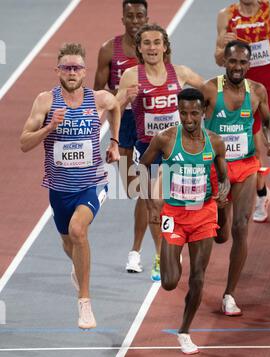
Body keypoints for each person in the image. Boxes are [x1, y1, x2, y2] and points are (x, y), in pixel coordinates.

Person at [20, 43, 121, 329]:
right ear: (58, 71)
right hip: (59, 189)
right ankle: (77, 267)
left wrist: (114, 142)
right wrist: (49, 127)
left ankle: (84, 303)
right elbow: (24, 143)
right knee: (69, 242)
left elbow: (116, 107)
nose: (72, 72)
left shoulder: (98, 99)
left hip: (93, 183)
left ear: (84, 71)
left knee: (78, 231)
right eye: (67, 67)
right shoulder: (45, 102)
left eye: (77, 67)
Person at [139, 88, 229, 354]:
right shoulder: (165, 139)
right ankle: (173, 255)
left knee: (198, 278)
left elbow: (223, 178)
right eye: (183, 113)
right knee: (168, 282)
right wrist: (149, 203)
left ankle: (185, 331)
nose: (188, 119)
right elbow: (141, 166)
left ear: (203, 113)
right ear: (178, 112)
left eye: (194, 113)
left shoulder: (215, 142)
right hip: (174, 215)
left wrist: (223, 192)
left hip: (203, 214)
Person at [117, 23, 205, 281]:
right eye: (147, 43)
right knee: (154, 202)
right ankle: (159, 256)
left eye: (157, 42)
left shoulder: (180, 72)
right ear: (139, 48)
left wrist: (202, 128)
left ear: (165, 46)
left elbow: (208, 92)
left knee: (181, 204)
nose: (152, 47)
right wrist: (123, 100)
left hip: (178, 150)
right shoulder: (132, 76)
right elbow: (115, 108)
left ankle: (173, 246)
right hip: (148, 149)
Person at [203, 41, 270, 315]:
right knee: (221, 235)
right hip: (216, 167)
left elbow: (267, 120)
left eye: (242, 62)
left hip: (246, 166)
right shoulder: (210, 90)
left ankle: (229, 294)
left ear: (249, 64)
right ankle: (220, 216)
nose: (237, 67)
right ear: (224, 62)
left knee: (241, 228)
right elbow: (191, 123)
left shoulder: (257, 91)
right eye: (232, 62)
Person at [215, 0, 270, 223]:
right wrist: (222, 50)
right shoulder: (226, 16)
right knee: (252, 152)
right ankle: (263, 196)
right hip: (245, 91)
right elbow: (217, 58)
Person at [94, 2, 150, 274]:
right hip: (123, 122)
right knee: (131, 188)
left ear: (147, 17)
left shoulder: (154, 48)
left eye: (140, 15)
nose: (136, 20)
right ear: (123, 18)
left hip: (149, 122)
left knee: (150, 190)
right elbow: (95, 94)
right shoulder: (109, 50)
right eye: (131, 16)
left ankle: (137, 251)